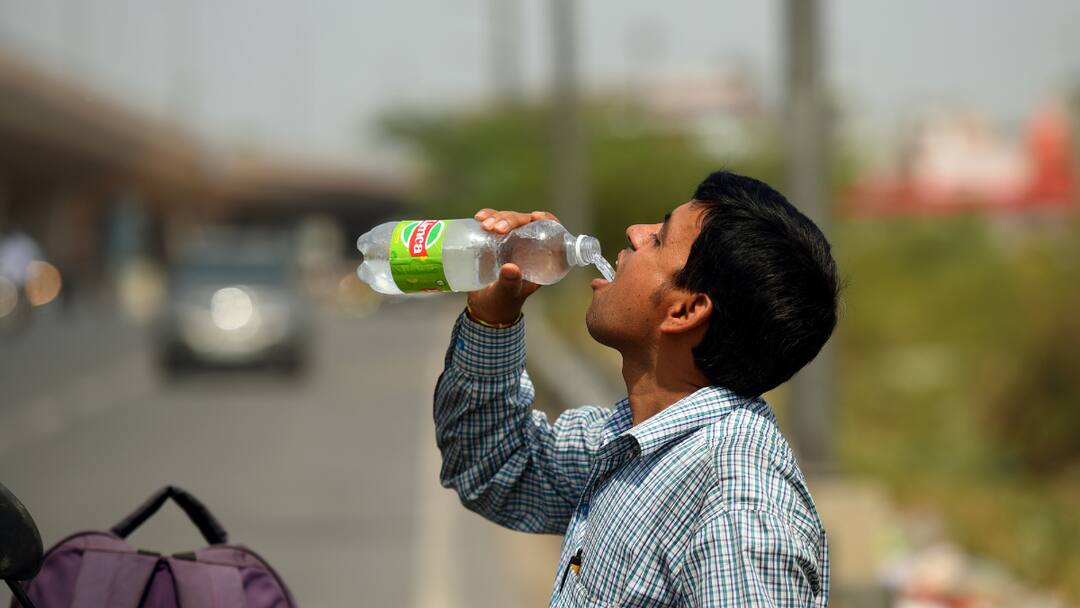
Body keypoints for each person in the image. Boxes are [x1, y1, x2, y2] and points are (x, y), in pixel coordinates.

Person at [434, 170, 839, 607]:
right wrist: (494, 317)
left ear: (685, 311)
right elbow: (496, 465)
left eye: (660, 240)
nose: (634, 232)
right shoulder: (636, 441)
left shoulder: (736, 509)